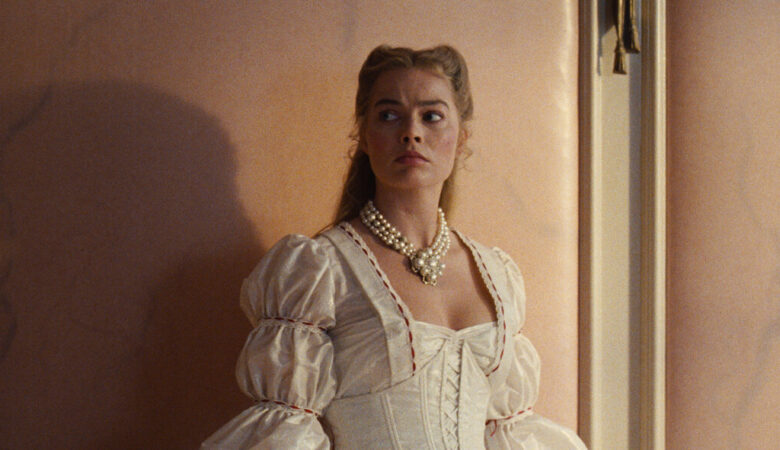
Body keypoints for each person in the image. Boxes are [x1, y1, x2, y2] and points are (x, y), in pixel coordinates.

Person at [203, 44, 586, 449]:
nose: (411, 133)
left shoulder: (497, 274)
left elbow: (509, 431)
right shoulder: (319, 270)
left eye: (431, 116)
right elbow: (287, 430)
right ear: (365, 136)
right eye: (389, 115)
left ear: (461, 138)